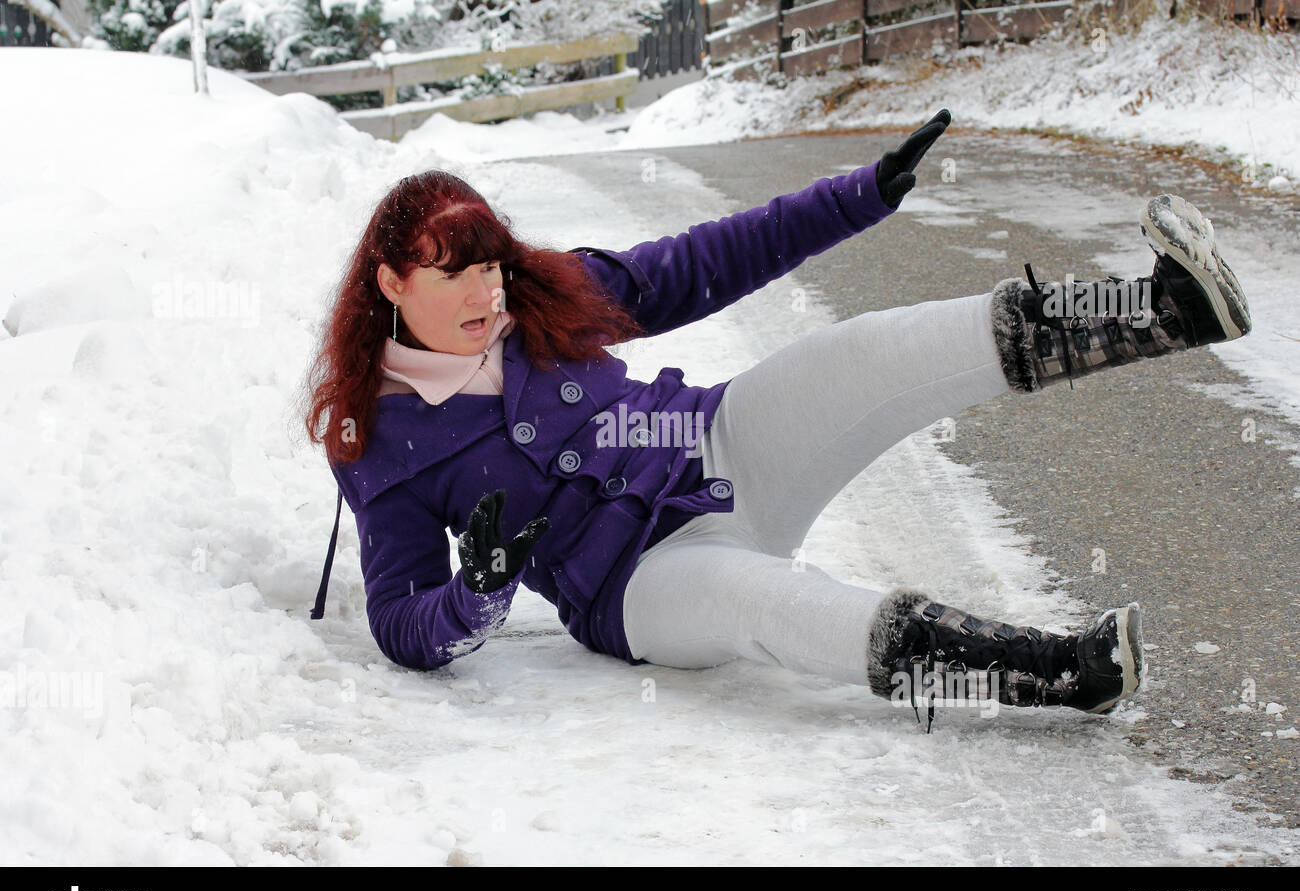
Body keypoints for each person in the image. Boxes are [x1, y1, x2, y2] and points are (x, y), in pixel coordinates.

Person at [301, 109, 1252, 732]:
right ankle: (1062, 674)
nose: (484, 289)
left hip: (718, 446)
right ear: (390, 282)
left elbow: (708, 259)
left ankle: (1172, 310)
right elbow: (400, 622)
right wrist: (477, 594)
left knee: (870, 352)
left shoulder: (546, 297)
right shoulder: (381, 446)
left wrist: (860, 194)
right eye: (451, 271)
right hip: (641, 588)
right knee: (782, 610)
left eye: (489, 263)